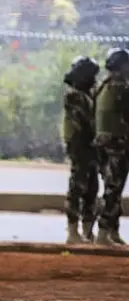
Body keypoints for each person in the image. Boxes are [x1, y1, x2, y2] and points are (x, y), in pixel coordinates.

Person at [61, 56, 101, 243]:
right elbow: (88, 120)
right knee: (78, 187)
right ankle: (73, 231)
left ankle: (87, 230)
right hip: (80, 146)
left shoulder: (86, 93)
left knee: (92, 188)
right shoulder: (74, 95)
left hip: (89, 146)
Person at [93, 47, 129, 245]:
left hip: (103, 144)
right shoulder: (121, 87)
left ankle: (111, 231)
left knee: (111, 187)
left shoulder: (103, 85)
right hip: (118, 144)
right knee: (113, 188)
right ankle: (104, 232)